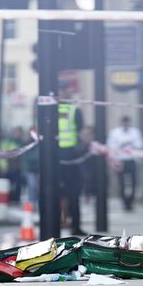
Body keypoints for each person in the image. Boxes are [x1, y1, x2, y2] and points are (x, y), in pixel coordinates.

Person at [57, 100, 85, 234]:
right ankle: (75, 227)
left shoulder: (45, 108)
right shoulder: (73, 109)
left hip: (52, 157)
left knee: (52, 195)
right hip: (71, 156)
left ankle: (53, 226)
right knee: (73, 194)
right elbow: (80, 129)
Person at [107, 115, 143, 211]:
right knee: (122, 183)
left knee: (134, 182)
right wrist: (122, 144)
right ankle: (124, 202)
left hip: (132, 160)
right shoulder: (115, 133)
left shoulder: (135, 132)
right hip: (120, 160)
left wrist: (131, 143)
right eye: (124, 122)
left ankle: (131, 202)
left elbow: (139, 145)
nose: (126, 124)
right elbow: (111, 145)